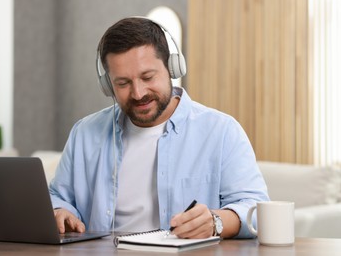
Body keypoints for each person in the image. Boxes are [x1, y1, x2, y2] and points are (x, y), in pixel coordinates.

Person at [49, 17, 269, 239]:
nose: (138, 93)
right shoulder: (84, 133)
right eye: (123, 83)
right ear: (108, 86)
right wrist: (59, 211)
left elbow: (256, 210)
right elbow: (57, 196)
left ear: (172, 68)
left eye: (148, 77)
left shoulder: (221, 131)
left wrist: (215, 222)